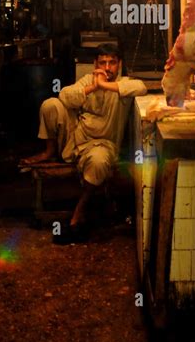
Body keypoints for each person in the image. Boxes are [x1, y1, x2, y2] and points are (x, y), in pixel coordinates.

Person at [22, 44, 147, 244]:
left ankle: (80, 210)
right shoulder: (88, 80)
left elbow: (142, 88)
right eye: (103, 63)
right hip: (76, 140)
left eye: (112, 63)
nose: (107, 67)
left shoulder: (124, 85)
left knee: (98, 162)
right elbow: (65, 96)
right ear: (95, 65)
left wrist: (105, 86)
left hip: (102, 145)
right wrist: (93, 87)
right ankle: (50, 151)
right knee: (50, 104)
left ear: (119, 64)